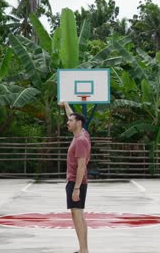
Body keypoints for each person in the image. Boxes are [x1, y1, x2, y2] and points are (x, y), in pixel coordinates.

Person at [59, 101, 91, 253]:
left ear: (78, 123)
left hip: (76, 181)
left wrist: (76, 188)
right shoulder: (82, 132)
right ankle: (83, 249)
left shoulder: (80, 141)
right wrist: (66, 105)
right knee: (78, 215)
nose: (68, 122)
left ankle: (83, 250)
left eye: (70, 121)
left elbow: (82, 166)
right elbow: (71, 114)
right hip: (75, 181)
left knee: (77, 216)